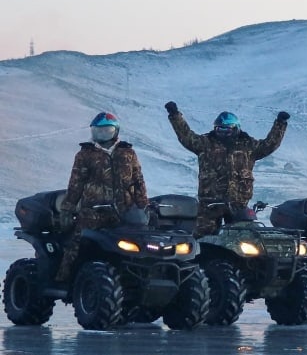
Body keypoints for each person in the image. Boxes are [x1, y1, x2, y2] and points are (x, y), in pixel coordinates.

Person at [54, 112, 149, 289]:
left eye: (107, 130)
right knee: (76, 244)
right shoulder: (85, 154)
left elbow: (138, 181)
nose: (103, 135)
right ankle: (63, 280)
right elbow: (76, 184)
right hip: (93, 211)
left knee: (139, 247)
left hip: (125, 213)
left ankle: (136, 282)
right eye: (98, 131)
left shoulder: (128, 153)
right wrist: (67, 209)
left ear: (116, 131)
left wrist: (144, 206)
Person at [165, 102, 289, 235]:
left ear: (236, 129)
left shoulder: (248, 145)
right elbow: (186, 136)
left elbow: (269, 145)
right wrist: (175, 115)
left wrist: (280, 124)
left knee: (242, 237)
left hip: (238, 203)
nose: (223, 133)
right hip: (210, 203)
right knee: (203, 237)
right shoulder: (205, 143)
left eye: (227, 130)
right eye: (219, 129)